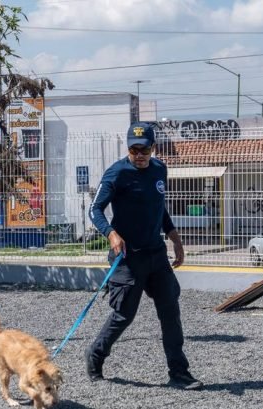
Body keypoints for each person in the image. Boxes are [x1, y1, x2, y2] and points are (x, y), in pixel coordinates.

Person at [84, 122, 203, 390]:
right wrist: (111, 234)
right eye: (133, 149)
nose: (139, 155)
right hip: (128, 257)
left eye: (144, 149)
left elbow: (159, 208)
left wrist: (175, 238)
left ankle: (179, 372)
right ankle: (95, 355)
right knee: (124, 315)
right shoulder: (116, 173)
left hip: (156, 254)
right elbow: (95, 210)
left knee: (170, 311)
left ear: (153, 148)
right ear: (128, 148)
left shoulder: (160, 169)